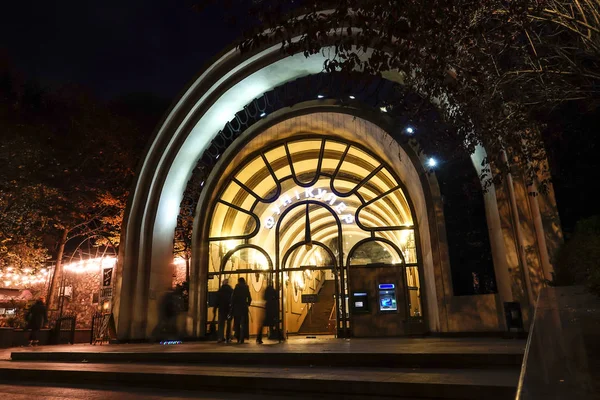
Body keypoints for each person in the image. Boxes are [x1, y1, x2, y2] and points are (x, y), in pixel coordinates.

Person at [231, 277, 251, 344]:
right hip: (244, 308)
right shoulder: (246, 287)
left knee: (237, 323)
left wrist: (232, 306)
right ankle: (242, 338)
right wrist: (247, 304)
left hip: (237, 308)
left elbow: (233, 298)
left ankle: (238, 337)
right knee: (243, 324)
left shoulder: (237, 287)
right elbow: (249, 298)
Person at [214, 278, 233, 343]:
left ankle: (220, 337)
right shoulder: (231, 290)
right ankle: (228, 337)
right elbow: (233, 300)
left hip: (221, 309)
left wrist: (215, 308)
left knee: (221, 324)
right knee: (229, 323)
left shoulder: (220, 291)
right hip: (229, 309)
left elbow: (217, 301)